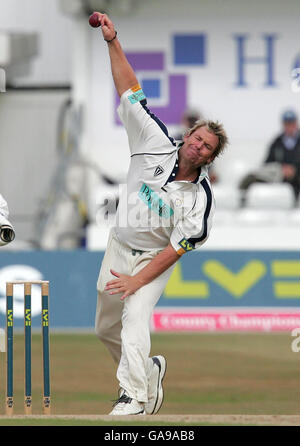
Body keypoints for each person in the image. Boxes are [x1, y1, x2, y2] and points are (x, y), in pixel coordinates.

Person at [93, 12, 228, 416]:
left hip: (154, 258)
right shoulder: (152, 140)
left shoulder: (200, 198)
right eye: (197, 138)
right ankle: (147, 370)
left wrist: (137, 280)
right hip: (119, 243)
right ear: (188, 135)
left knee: (135, 317)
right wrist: (112, 41)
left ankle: (133, 396)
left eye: (207, 147)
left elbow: (175, 250)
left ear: (210, 158)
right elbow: (130, 90)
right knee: (104, 328)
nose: (198, 146)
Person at [239, 110, 300, 204]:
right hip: (279, 178)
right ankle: (242, 203)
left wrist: (294, 170)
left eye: (291, 123)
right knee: (251, 178)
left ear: (296, 123)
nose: (289, 126)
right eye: (286, 123)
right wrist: (282, 169)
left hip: (296, 179)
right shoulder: (276, 142)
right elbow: (267, 163)